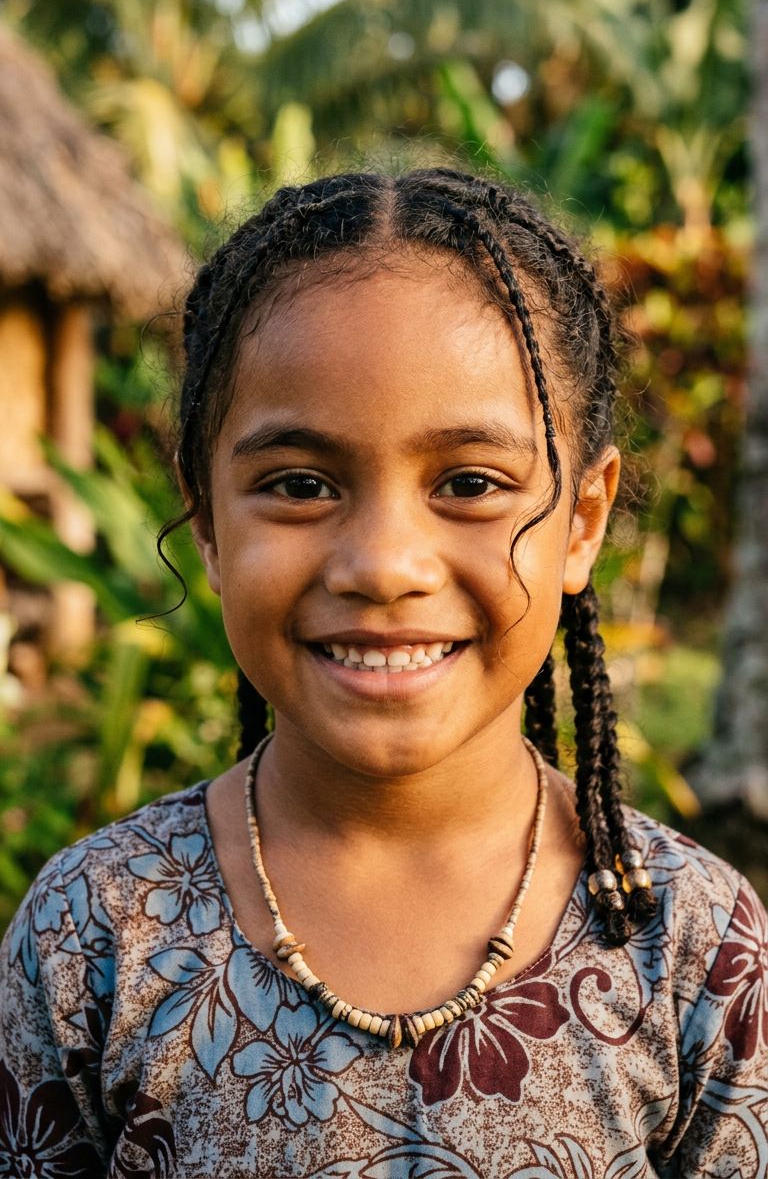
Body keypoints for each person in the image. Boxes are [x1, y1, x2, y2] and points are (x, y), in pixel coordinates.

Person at [0, 168, 766, 1179]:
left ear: (582, 521)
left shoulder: (691, 948)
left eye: (470, 483)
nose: (383, 564)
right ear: (209, 518)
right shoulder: (92, 935)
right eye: (300, 485)